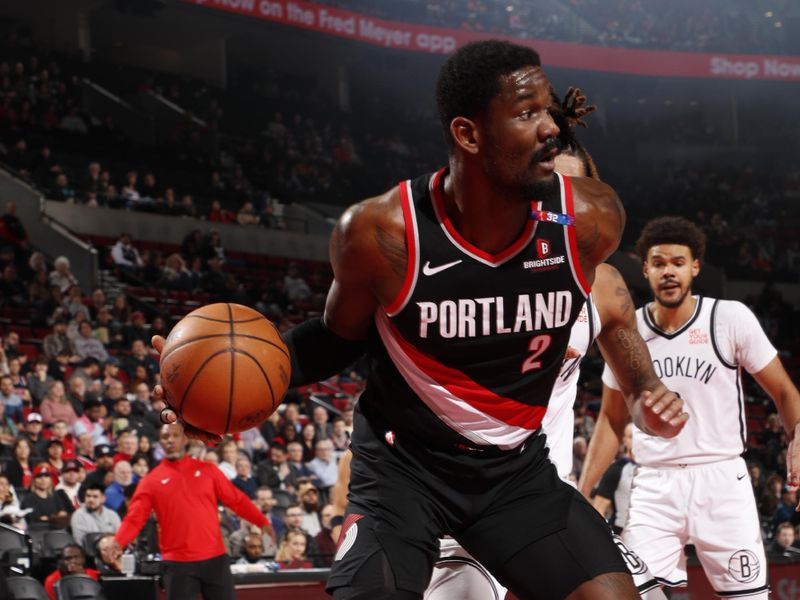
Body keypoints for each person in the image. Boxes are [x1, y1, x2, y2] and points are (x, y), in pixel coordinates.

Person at [158, 41, 686, 599]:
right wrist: (214, 397)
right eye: (528, 113)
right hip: (402, 471)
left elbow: (622, 329)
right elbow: (336, 341)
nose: (551, 127)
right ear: (469, 134)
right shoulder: (380, 232)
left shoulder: (590, 221)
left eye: (549, 110)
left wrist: (649, 387)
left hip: (514, 472)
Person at [580, 216, 800, 599]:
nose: (669, 272)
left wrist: (798, 434)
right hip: (652, 483)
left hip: (721, 480)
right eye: (660, 263)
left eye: (678, 263)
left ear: (695, 267)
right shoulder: (627, 332)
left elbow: (783, 391)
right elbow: (612, 420)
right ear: (645, 268)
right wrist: (582, 494)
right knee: (628, 593)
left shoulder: (729, 318)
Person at [100, 424, 272, 600]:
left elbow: (237, 500)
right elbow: (134, 518)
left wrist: (261, 521)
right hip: (177, 563)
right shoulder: (150, 481)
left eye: (175, 435)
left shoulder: (208, 470)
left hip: (215, 558)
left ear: (185, 439)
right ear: (160, 442)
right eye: (165, 437)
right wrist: (119, 541)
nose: (170, 440)